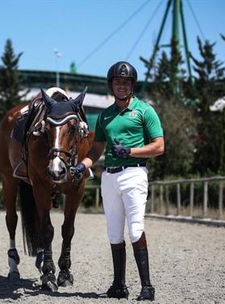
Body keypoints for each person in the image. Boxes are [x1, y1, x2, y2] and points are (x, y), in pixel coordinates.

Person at [72, 61, 164, 301]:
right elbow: (96, 150)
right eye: (117, 82)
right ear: (111, 85)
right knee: (114, 233)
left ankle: (147, 287)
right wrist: (82, 165)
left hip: (134, 174)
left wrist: (131, 152)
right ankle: (118, 285)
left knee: (135, 229)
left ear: (132, 85)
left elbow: (159, 146)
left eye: (126, 82)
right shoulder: (104, 116)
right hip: (109, 178)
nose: (121, 86)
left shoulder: (145, 111)